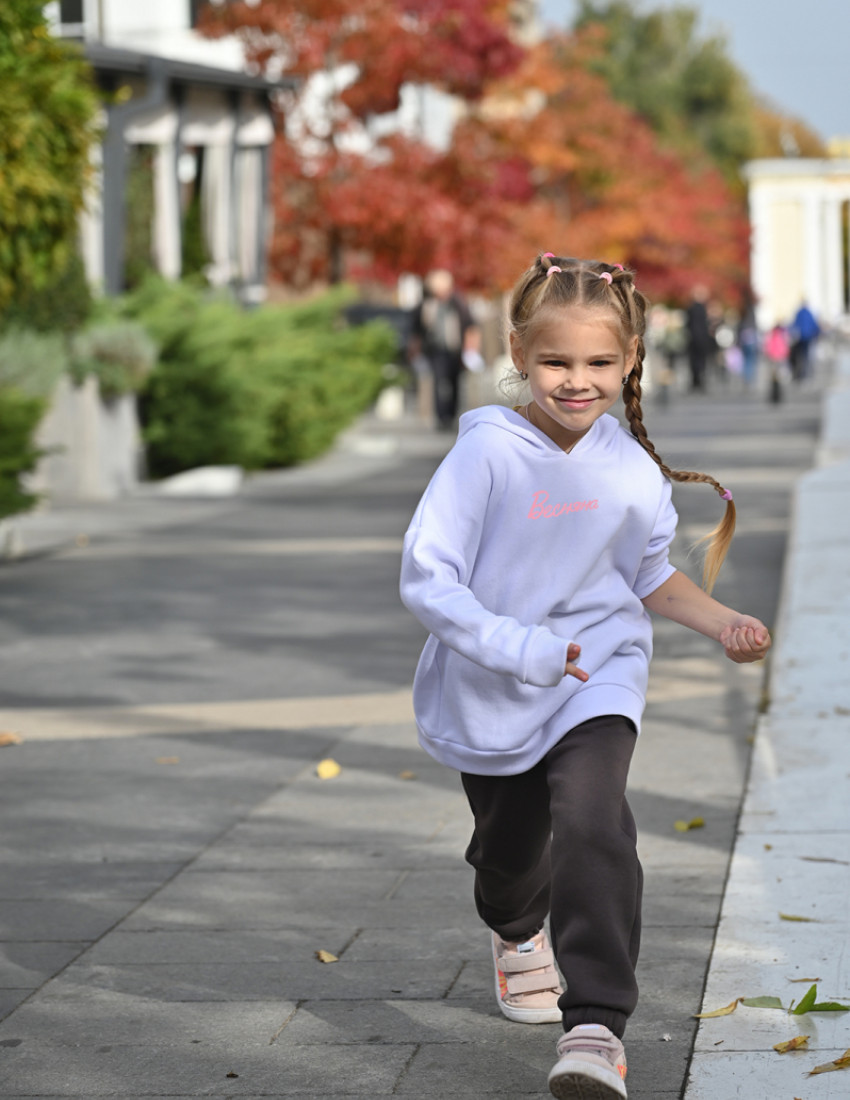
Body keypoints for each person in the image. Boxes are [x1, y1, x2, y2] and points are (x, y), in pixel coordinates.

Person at [399, 254, 771, 1100]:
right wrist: (519, 649)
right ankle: (514, 926)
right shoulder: (485, 454)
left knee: (595, 818)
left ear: (632, 356)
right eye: (556, 362)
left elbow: (645, 576)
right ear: (518, 353)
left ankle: (597, 1027)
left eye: (600, 363)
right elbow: (428, 577)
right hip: (496, 680)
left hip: (597, 674)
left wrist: (723, 623)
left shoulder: (632, 469)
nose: (578, 381)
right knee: (510, 855)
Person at [409, 269, 479, 430]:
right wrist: (415, 350)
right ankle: (441, 417)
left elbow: (470, 326)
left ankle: (451, 415)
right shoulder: (427, 305)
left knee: (455, 382)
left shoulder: (458, 303)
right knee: (438, 381)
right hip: (435, 350)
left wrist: (471, 349)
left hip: (455, 350)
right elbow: (417, 330)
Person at [684, 284, 715, 392]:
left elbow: (687, 324)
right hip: (701, 338)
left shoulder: (691, 308)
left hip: (693, 338)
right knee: (701, 361)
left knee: (694, 361)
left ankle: (696, 381)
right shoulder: (702, 308)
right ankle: (699, 381)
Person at [789, 300, 820, 382]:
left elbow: (794, 324)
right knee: (807, 355)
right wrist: (816, 334)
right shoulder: (809, 313)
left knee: (801, 355)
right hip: (808, 337)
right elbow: (814, 324)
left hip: (800, 337)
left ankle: (801, 373)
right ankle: (806, 373)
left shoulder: (799, 313)